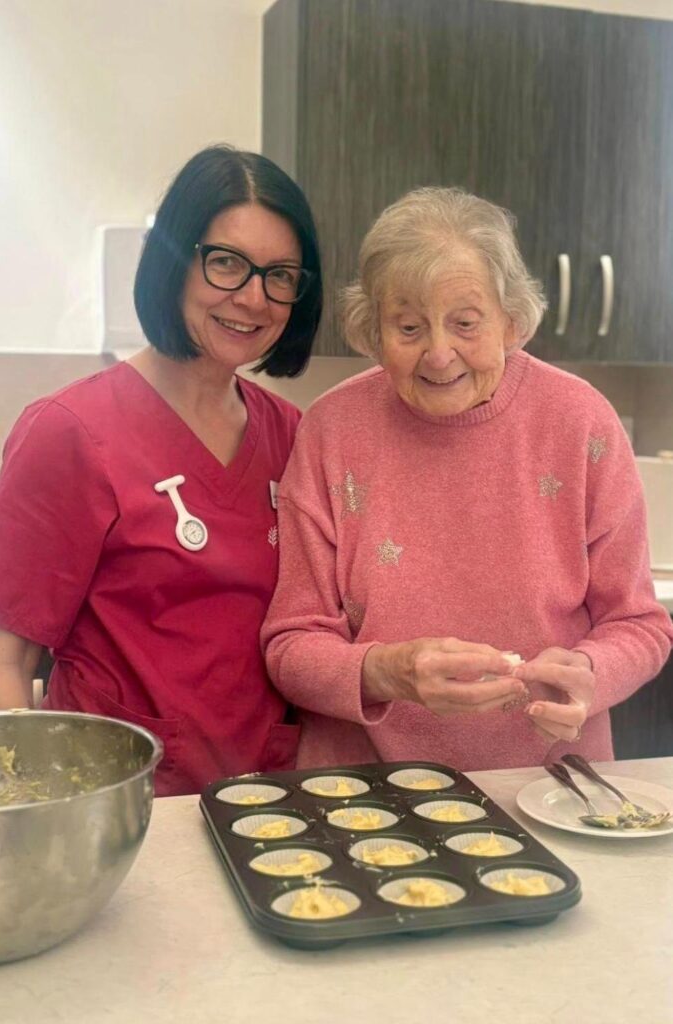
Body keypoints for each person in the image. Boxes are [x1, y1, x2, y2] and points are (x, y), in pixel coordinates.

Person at [261, 186, 673, 771]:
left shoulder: (581, 423)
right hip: (365, 793)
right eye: (408, 328)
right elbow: (289, 645)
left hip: (550, 784)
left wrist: (590, 674)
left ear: (511, 321)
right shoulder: (332, 431)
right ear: (373, 332)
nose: (438, 353)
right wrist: (389, 672)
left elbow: (638, 624)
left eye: (465, 323)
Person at [0, 145, 322, 795]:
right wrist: (44, 814)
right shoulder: (71, 432)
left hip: (267, 801)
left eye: (280, 275)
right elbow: (2, 659)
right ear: (173, 262)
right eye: (226, 263)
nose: (253, 298)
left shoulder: (292, 436)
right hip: (117, 802)